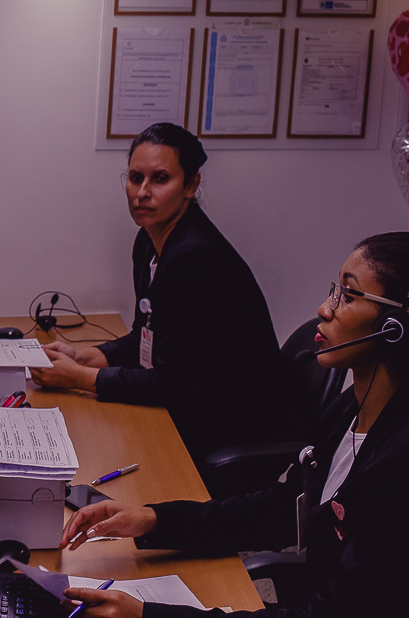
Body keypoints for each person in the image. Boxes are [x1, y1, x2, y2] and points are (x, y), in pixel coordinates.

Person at [58, 232, 409, 618]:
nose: (325, 308)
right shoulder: (351, 410)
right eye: (334, 290)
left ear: (394, 326)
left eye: (348, 295)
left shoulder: (397, 470)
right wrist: (154, 520)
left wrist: (148, 615)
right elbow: (280, 509)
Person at [30, 122, 303, 469]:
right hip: (190, 407)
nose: (142, 192)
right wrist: (86, 357)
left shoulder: (197, 258)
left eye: (160, 179)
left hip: (232, 425)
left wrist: (80, 379)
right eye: (134, 178)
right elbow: (149, 332)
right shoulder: (148, 241)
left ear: (190, 185)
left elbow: (176, 385)